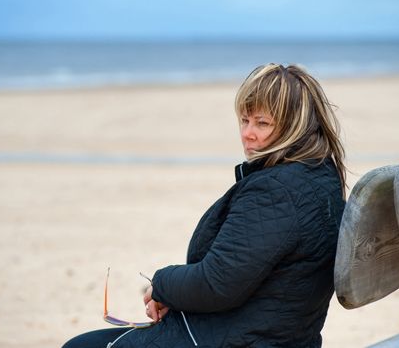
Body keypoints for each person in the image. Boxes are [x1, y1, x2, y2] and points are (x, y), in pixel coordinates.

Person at [62, 63, 346, 348]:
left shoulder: (275, 191)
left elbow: (216, 284)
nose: (248, 133)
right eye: (244, 120)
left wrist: (160, 286)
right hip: (270, 333)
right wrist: (174, 297)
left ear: (294, 126)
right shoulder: (321, 176)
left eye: (263, 123)